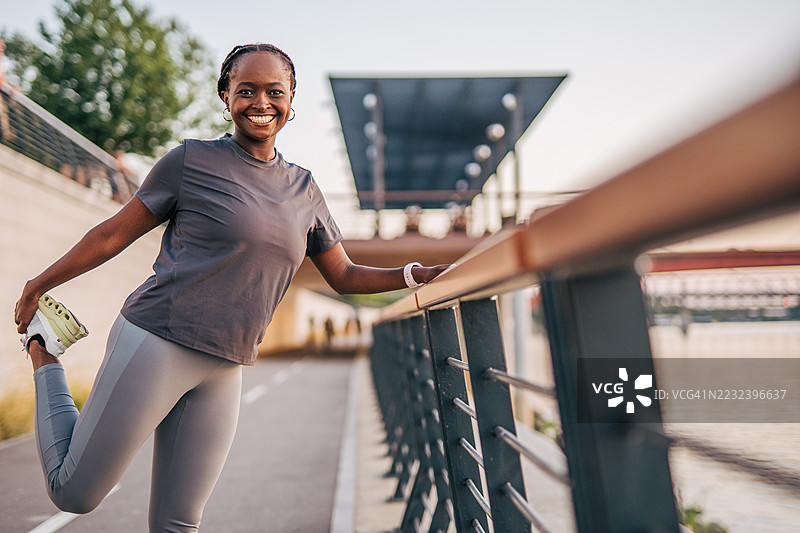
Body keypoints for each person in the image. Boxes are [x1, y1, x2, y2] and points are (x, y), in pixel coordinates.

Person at [14, 43, 448, 533]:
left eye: (273, 91)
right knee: (75, 492)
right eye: (246, 90)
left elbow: (345, 275)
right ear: (226, 97)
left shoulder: (304, 189)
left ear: (290, 101)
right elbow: (112, 234)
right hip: (156, 342)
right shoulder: (189, 161)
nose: (260, 102)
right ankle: (44, 350)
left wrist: (415, 275)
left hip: (227, 365)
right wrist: (38, 285)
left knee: (179, 522)